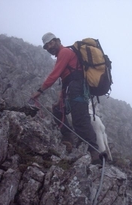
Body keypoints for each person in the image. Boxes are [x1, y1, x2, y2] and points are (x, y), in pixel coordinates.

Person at [31, 32, 105, 165]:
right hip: (71, 89)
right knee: (58, 111)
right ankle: (68, 138)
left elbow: (55, 75)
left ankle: (95, 153)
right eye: (46, 46)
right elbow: (65, 78)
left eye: (51, 43)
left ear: (58, 41)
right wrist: (61, 98)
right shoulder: (63, 54)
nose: (49, 47)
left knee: (80, 120)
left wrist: (40, 91)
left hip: (77, 89)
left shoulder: (64, 52)